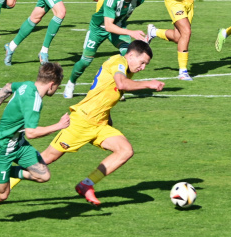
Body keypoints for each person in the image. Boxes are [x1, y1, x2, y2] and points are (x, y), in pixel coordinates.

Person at [42, 41, 164, 206]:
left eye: (145, 65)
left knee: (125, 150)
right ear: (132, 55)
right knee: (46, 159)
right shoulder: (118, 62)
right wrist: (149, 83)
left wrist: (108, 118)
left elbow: (107, 94)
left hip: (100, 124)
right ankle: (5, 181)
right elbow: (121, 84)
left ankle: (86, 184)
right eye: (142, 62)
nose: (143, 67)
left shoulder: (127, 70)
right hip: (82, 121)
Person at [0, 62, 70, 224]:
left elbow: (8, 87)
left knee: (43, 175)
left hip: (18, 145)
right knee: (2, 195)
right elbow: (32, 132)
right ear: (51, 84)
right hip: (0, 149)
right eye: (58, 86)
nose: (57, 89)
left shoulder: (28, 85)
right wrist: (59, 126)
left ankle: (2, 172)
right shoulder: (34, 102)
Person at [63, 0, 147, 99]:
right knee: (86, 61)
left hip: (118, 27)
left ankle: (118, 86)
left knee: (128, 54)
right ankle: (71, 83)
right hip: (99, 28)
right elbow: (108, 26)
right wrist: (131, 32)